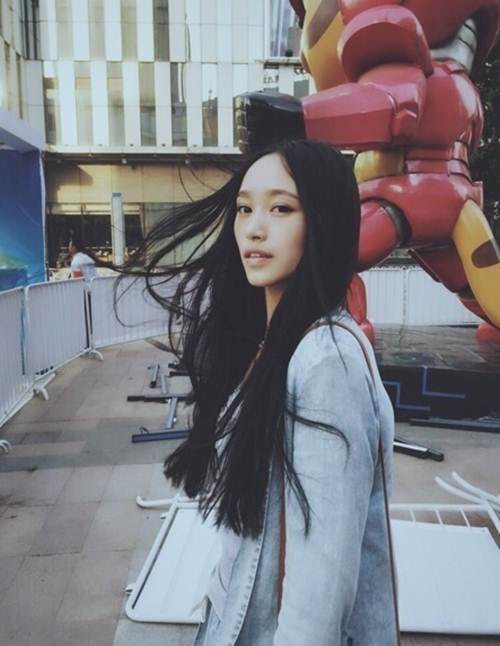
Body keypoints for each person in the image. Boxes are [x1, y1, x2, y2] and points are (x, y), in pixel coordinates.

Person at [121, 139, 398, 645]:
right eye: (245, 209)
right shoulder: (269, 342)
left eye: (281, 208)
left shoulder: (325, 365)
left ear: (324, 222)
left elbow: (318, 603)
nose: (254, 227)